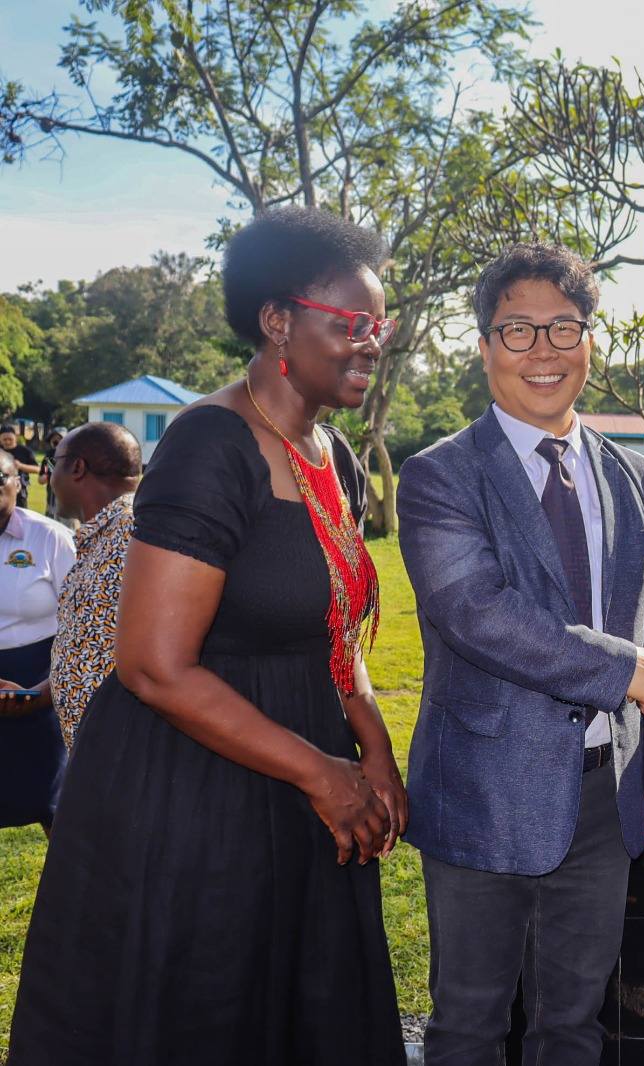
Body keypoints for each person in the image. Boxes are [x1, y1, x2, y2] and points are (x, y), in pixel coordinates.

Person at [9, 206, 409, 1065]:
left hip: (307, 765)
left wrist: (371, 750)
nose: (372, 344)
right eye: (352, 324)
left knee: (300, 1008)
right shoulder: (208, 444)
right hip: (195, 785)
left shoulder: (331, 453)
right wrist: (324, 773)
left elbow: (336, 633)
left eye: (381, 326)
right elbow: (153, 666)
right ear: (278, 322)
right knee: (206, 1010)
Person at [398, 241, 644, 1066]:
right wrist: (625, 671)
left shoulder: (636, 476)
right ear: (485, 345)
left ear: (592, 340)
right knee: (469, 1028)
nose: (543, 353)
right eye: (517, 331)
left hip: (607, 797)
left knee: (574, 1027)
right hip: (482, 792)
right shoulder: (440, 477)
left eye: (563, 329)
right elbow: (475, 611)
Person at [44, 421, 142, 750]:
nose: (48, 478)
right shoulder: (102, 534)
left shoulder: (134, 533)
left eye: (52, 464)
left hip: (121, 754)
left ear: (77, 467)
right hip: (93, 753)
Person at [0, 448, 75, 833]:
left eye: (0, 478)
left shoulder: (50, 539)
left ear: (19, 483)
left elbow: (82, 618)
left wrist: (42, 691)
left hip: (39, 685)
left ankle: (71, 892)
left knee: (54, 801)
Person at [1, 422, 41, 511]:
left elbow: (37, 469)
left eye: (10, 439)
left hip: (20, 490)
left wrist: (21, 466)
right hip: (1, 488)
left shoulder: (24, 451)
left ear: (15, 437)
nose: (7, 442)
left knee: (20, 515)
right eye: (4, 439)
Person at [40, 428, 66, 518]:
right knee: (50, 523)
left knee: (68, 527)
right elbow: (41, 478)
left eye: (59, 438)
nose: (56, 441)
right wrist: (44, 477)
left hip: (68, 500)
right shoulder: (48, 456)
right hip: (51, 497)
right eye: (53, 439)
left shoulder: (72, 455)